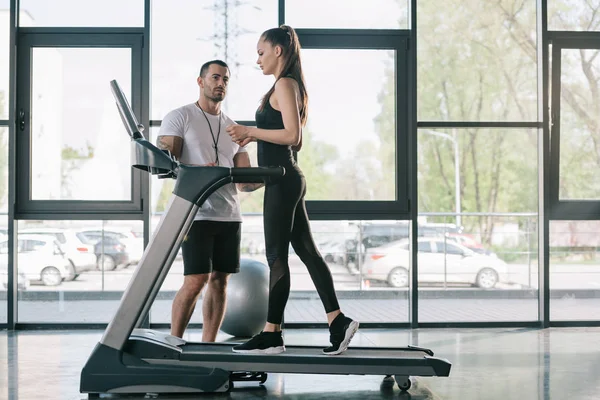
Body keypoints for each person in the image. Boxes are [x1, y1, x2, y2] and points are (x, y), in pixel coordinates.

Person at [226, 25, 359, 355]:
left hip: (284, 179)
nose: (257, 59)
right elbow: (282, 143)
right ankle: (337, 321)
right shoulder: (284, 84)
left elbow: (292, 137)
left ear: (278, 51)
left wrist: (251, 132)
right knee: (308, 253)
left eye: (260, 52)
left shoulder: (285, 83)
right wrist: (256, 179)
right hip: (282, 178)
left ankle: (272, 334)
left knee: (276, 257)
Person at [157, 59, 262, 341]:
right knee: (195, 280)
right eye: (215, 77)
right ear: (200, 81)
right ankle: (174, 342)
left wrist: (268, 175)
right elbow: (167, 162)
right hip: (195, 213)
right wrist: (187, 168)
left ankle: (208, 344)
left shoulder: (234, 129)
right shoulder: (180, 117)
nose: (220, 83)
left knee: (220, 281)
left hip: (228, 215)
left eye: (225, 79)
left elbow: (243, 181)